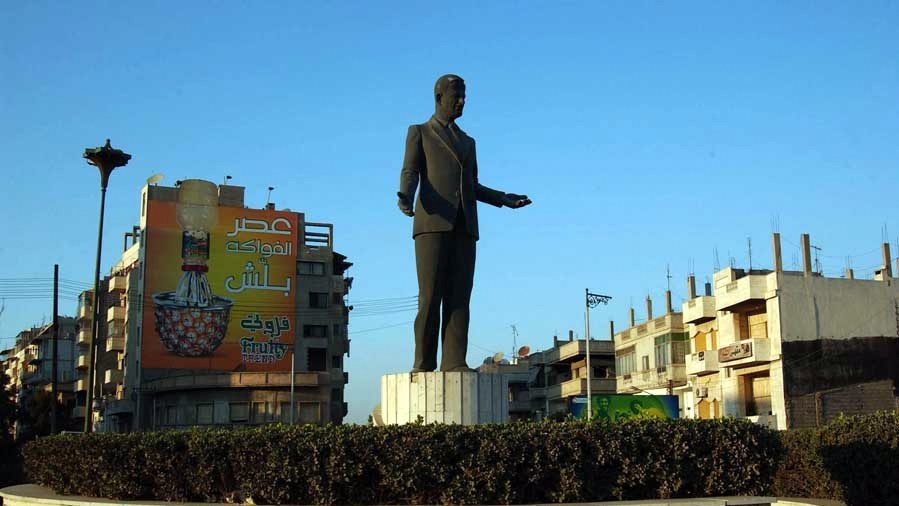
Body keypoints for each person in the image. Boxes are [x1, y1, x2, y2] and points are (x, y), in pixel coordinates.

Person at [398, 74, 531, 372]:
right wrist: (405, 195)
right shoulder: (420, 132)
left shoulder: (468, 142)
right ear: (439, 98)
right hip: (432, 222)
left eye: (464, 96)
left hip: (465, 225)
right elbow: (410, 171)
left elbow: (472, 185)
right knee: (430, 297)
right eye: (456, 96)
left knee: (459, 298)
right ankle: (423, 363)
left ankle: (454, 360)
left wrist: (502, 198)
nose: (461, 101)